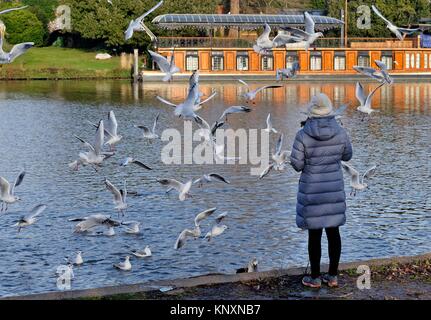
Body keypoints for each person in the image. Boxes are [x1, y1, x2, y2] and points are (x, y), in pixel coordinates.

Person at [290, 93, 353, 288]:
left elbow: (297, 165)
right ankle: (333, 276)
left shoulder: (302, 135)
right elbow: (348, 155)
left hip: (312, 191)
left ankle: (315, 277)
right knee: (334, 232)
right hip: (333, 189)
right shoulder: (341, 132)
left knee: (314, 234)